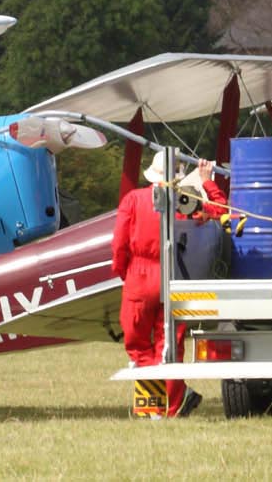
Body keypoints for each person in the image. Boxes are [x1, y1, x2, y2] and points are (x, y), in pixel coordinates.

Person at [110, 150, 221, 418]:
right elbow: (220, 211)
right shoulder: (186, 201)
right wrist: (208, 181)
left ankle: (155, 404)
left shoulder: (133, 200)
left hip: (139, 275)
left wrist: (123, 272)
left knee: (137, 345)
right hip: (176, 277)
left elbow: (119, 245)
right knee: (170, 346)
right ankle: (173, 403)